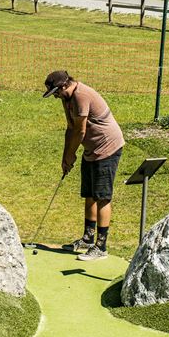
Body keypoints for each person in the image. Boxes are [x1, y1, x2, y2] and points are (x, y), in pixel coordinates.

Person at [43, 70, 124, 260]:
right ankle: (88, 238)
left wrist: (72, 154)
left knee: (102, 197)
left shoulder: (81, 95)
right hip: (91, 149)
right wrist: (65, 157)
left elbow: (80, 131)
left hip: (107, 147)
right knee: (89, 194)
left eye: (56, 92)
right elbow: (70, 128)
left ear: (64, 86)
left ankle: (101, 247)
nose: (55, 96)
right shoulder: (67, 98)